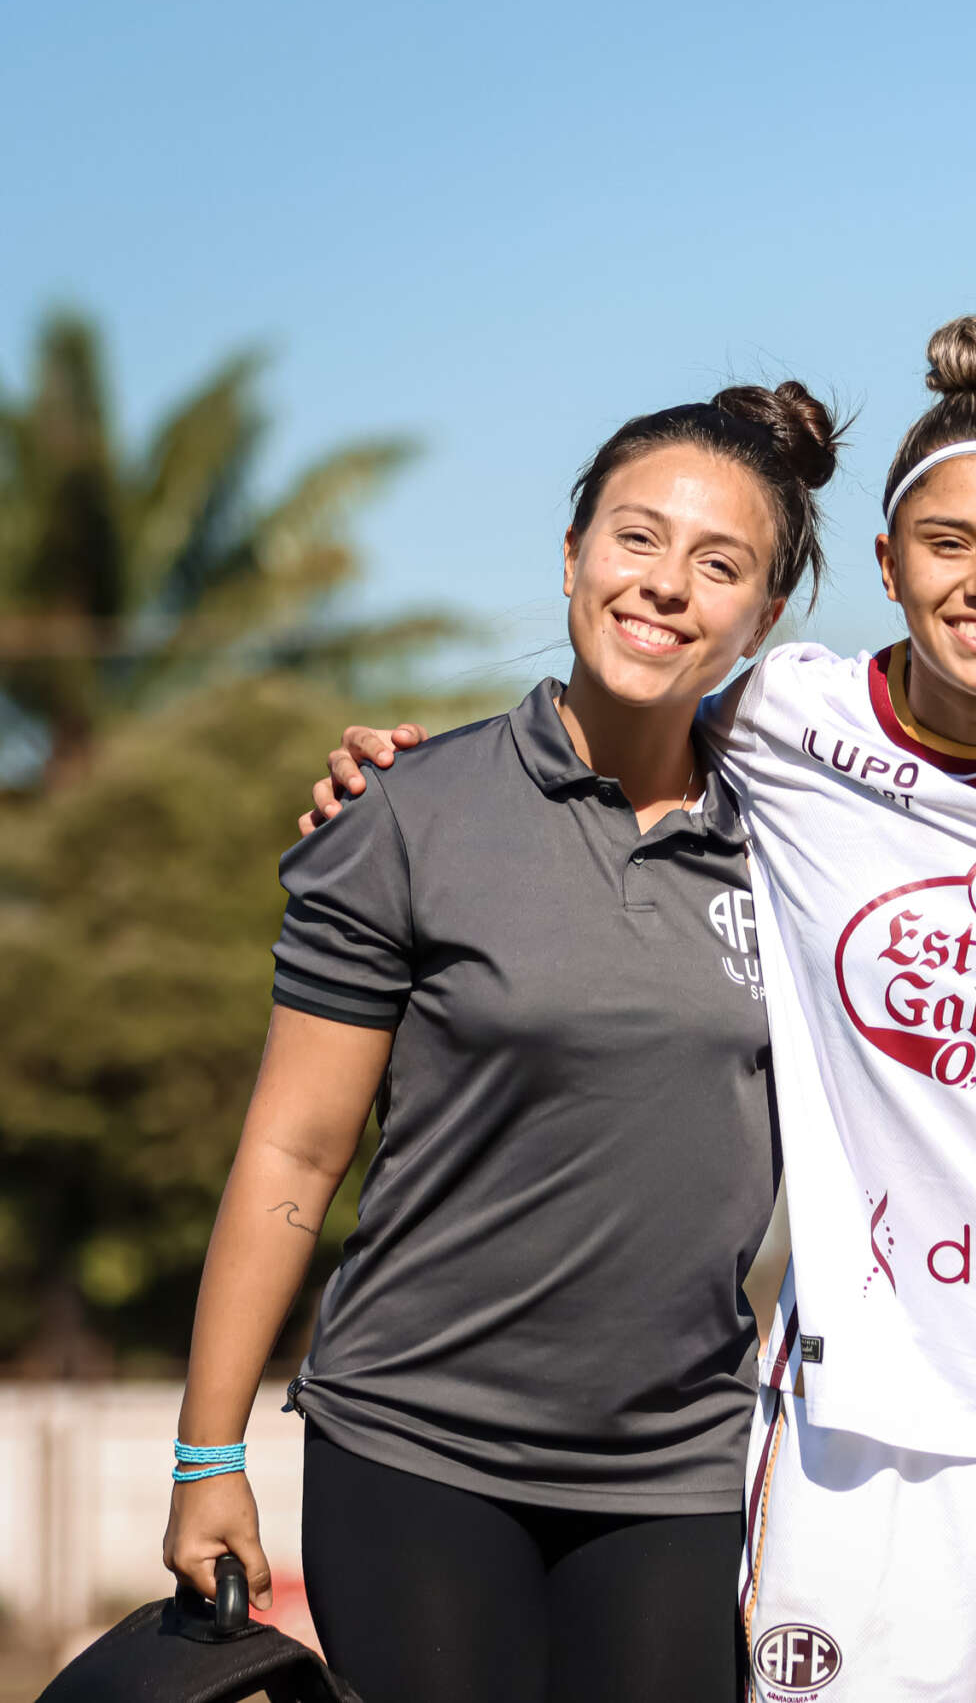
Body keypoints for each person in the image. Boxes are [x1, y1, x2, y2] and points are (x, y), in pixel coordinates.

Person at [303, 316, 976, 1703]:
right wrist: (408, 775)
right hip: (865, 1401)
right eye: (948, 543)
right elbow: (615, 719)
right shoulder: (784, 717)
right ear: (889, 563)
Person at [165, 383, 841, 1703]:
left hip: (679, 1470)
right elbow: (294, 1154)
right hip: (417, 1451)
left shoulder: (806, 841)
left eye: (722, 565)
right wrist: (208, 1457)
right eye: (637, 539)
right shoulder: (409, 812)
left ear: (764, 620)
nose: (667, 587)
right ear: (575, 554)